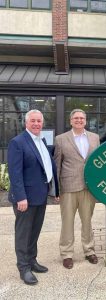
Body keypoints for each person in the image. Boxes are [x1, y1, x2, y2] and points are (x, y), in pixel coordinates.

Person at [7, 109, 59, 285]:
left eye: (39, 121)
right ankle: (23, 268)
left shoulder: (41, 140)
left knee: (34, 232)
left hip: (40, 195)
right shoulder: (18, 142)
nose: (36, 124)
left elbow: (46, 166)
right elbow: (15, 173)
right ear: (26, 123)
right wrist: (20, 197)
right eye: (33, 121)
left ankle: (32, 261)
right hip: (25, 199)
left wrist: (54, 190)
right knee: (23, 234)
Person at [54, 109, 100, 269]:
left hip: (89, 187)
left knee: (87, 221)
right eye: (76, 118)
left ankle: (89, 251)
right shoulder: (60, 139)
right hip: (68, 187)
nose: (79, 120)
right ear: (71, 120)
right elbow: (57, 166)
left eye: (82, 118)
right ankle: (67, 254)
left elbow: (98, 163)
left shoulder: (95, 138)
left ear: (86, 121)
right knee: (67, 222)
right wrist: (56, 190)